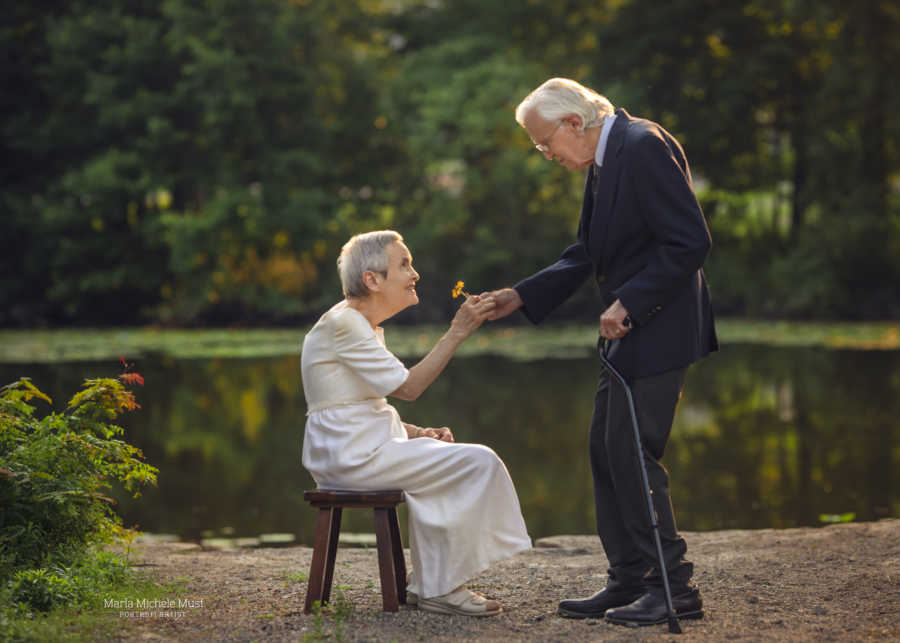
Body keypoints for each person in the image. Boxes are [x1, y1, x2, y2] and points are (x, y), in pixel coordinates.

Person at [484, 78, 717, 626]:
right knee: (606, 449)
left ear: (573, 123)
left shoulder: (641, 145)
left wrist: (629, 303)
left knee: (633, 452)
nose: (545, 155)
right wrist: (521, 295)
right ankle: (629, 579)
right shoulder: (606, 158)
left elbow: (689, 241)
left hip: (657, 326)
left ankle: (673, 588)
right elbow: (588, 251)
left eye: (544, 143)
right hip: (628, 330)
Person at [300, 230, 531, 617]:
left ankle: (434, 584)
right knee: (478, 461)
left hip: (352, 452)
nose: (415, 273)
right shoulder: (347, 324)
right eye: (404, 264)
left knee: (452, 458)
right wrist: (458, 331)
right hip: (350, 458)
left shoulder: (358, 325)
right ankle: (439, 587)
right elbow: (407, 388)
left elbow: (358, 407)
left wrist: (418, 433)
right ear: (372, 280)